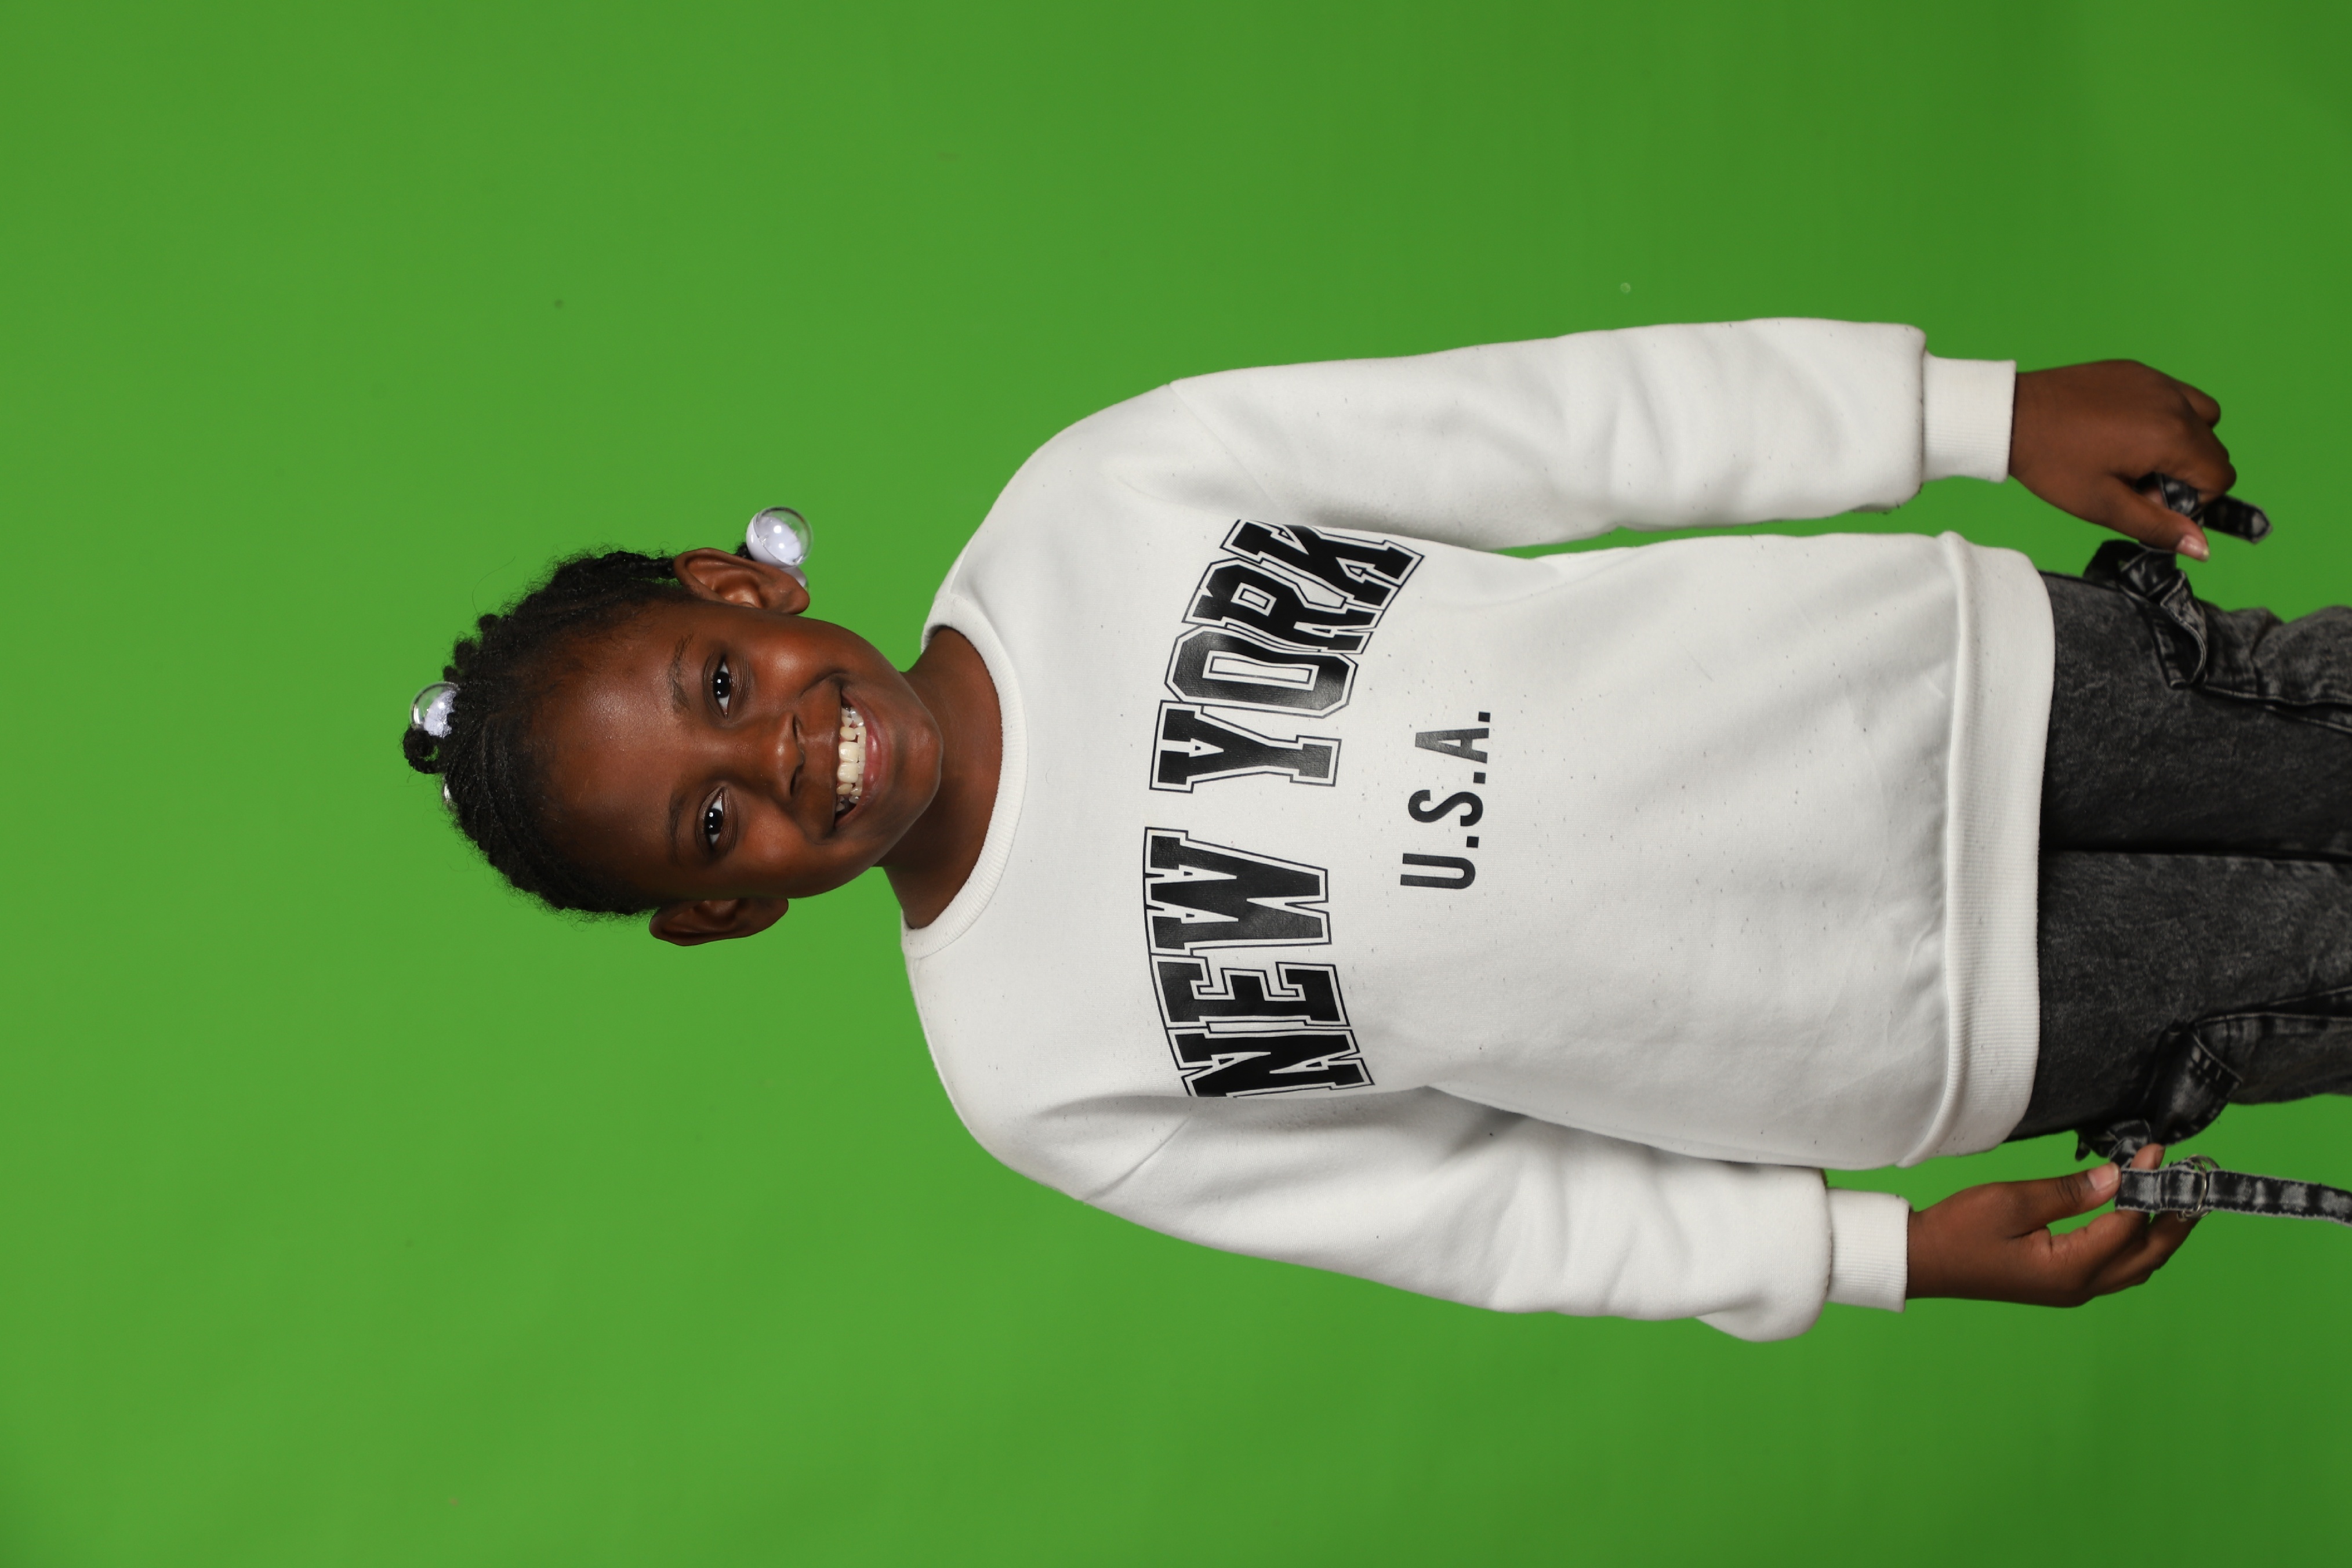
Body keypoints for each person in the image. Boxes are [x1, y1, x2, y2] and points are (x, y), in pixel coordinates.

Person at [401, 318, 2352, 1340]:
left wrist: (1972, 413)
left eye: (718, 687)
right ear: (723, 917)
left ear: (735, 592)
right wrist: (1864, 1259)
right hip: (1947, 1019)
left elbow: (1555, 428)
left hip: (1962, 681)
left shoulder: (1096, 504)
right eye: (712, 828)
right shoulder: (1030, 1073)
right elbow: (1481, 1218)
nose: (779, 759)